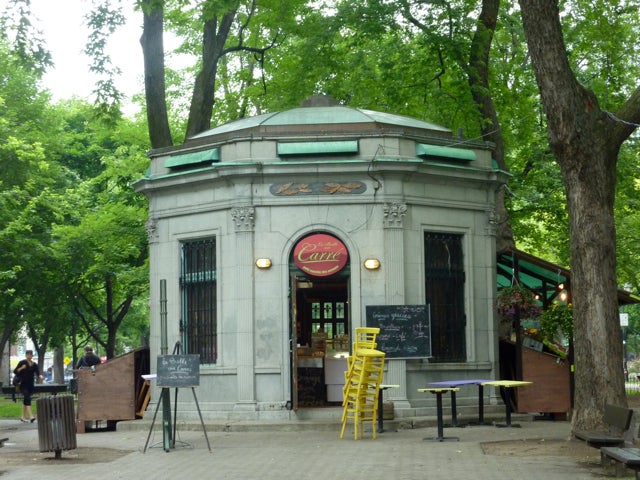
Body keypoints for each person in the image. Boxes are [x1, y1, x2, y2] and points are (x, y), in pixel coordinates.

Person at [13, 350, 44, 423]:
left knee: (26, 400)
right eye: (28, 354)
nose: (29, 356)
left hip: (30, 385)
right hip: (22, 384)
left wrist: (40, 376)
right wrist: (21, 368)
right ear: (26, 355)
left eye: (30, 354)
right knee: (27, 398)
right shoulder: (22, 362)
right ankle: (31, 416)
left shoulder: (34, 364)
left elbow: (38, 373)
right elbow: (15, 371)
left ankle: (23, 417)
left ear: (32, 355)